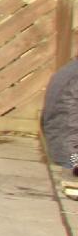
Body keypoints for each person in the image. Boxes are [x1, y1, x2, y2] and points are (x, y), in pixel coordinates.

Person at [44, 56, 78, 198]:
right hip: (71, 155)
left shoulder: (72, 69)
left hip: (62, 143)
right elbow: (72, 123)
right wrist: (74, 159)